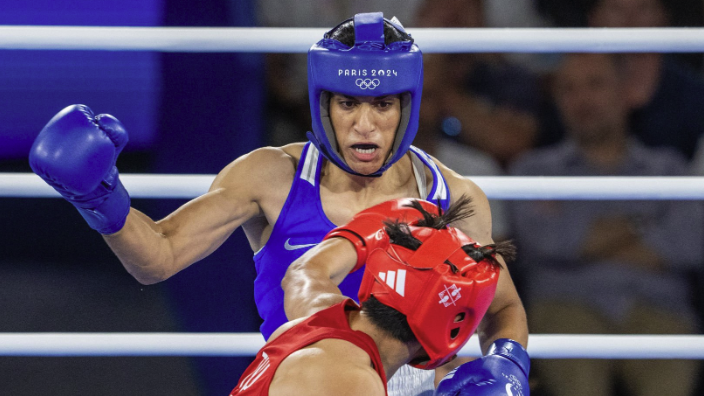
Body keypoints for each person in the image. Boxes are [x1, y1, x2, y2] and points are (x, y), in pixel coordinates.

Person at [28, 12, 529, 395]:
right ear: (322, 104)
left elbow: (501, 304)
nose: (364, 125)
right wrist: (101, 199)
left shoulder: (454, 197)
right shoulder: (272, 177)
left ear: (408, 106)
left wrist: (506, 364)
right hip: (311, 378)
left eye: (382, 104)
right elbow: (158, 256)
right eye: (348, 103)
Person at [509, 53, 703, 396]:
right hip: (564, 306)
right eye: (568, 89)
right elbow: (546, 242)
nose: (582, 99)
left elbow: (690, 244)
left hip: (659, 308)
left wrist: (584, 241)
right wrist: (646, 220)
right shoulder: (532, 170)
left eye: (595, 84)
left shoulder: (669, 169)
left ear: (626, 91)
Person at [232, 197, 529, 396]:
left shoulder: (315, 317)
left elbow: (304, 272)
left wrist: (509, 360)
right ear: (450, 331)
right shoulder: (351, 381)